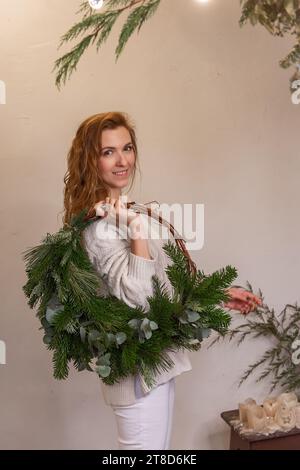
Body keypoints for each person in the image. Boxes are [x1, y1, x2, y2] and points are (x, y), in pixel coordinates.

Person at [62, 111, 262, 450]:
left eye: (127, 148)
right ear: (89, 160)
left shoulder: (120, 212)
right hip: (137, 375)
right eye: (108, 151)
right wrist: (137, 229)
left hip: (152, 371)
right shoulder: (100, 229)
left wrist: (216, 295)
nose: (122, 159)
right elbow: (138, 298)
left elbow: (158, 288)